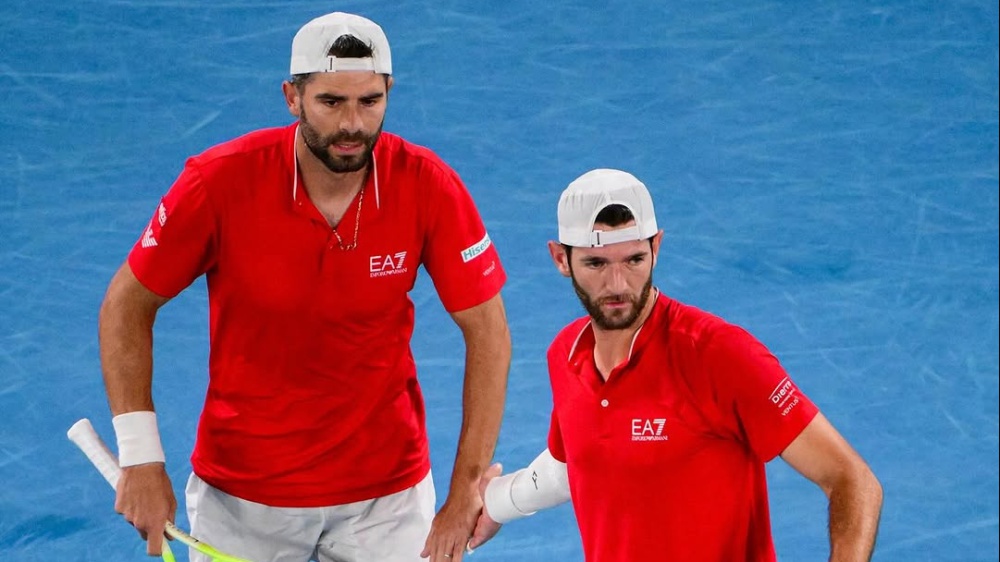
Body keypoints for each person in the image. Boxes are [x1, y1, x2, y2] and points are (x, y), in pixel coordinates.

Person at [98, 11, 510, 562]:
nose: (353, 125)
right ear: (292, 97)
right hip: (243, 499)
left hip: (386, 499)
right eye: (331, 102)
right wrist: (141, 457)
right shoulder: (217, 183)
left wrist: (465, 492)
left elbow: (489, 334)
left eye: (370, 101)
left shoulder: (428, 185)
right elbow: (127, 304)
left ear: (389, 92)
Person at [467, 169, 883, 561]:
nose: (617, 285)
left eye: (633, 260)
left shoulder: (720, 356)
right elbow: (575, 461)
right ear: (561, 259)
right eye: (596, 264)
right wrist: (499, 502)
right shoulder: (565, 354)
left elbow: (852, 480)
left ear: (656, 247)